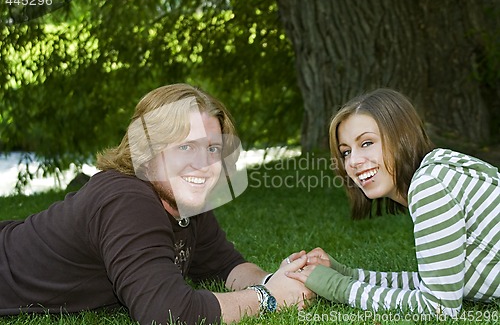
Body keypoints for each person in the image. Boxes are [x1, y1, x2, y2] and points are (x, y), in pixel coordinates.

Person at [0, 83, 314, 325]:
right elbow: (166, 313)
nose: (203, 164)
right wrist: (267, 299)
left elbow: (225, 265)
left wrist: (278, 279)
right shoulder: (125, 199)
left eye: (213, 148)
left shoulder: (186, 201)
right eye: (186, 146)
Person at [287, 88, 499, 317]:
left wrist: (338, 287)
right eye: (346, 152)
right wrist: (346, 273)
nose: (354, 161)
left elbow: (438, 307)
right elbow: (432, 282)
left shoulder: (431, 186)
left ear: (402, 137)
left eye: (366, 143)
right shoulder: (436, 175)